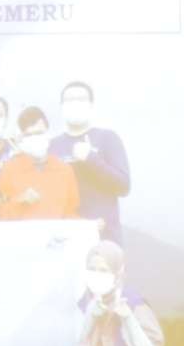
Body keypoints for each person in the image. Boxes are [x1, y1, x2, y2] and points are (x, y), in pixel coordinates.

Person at [65, 241, 171, 346]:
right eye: (92, 269)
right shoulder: (85, 302)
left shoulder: (133, 304)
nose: (97, 275)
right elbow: (79, 345)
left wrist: (128, 318)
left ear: (117, 273)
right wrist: (91, 316)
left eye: (103, 270)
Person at [51, 82, 131, 241]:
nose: (74, 104)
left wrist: (91, 158)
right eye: (69, 100)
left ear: (91, 105)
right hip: (65, 237)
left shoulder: (107, 138)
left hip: (104, 238)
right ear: (61, 107)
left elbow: (123, 186)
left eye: (80, 99)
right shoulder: (52, 145)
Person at [0, 107, 79, 220]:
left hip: (56, 236)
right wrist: (20, 201)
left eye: (39, 133)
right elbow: (1, 215)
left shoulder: (65, 170)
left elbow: (70, 212)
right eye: (29, 135)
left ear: (48, 134)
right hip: (23, 236)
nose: (35, 138)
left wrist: (90, 225)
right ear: (22, 139)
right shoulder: (9, 169)